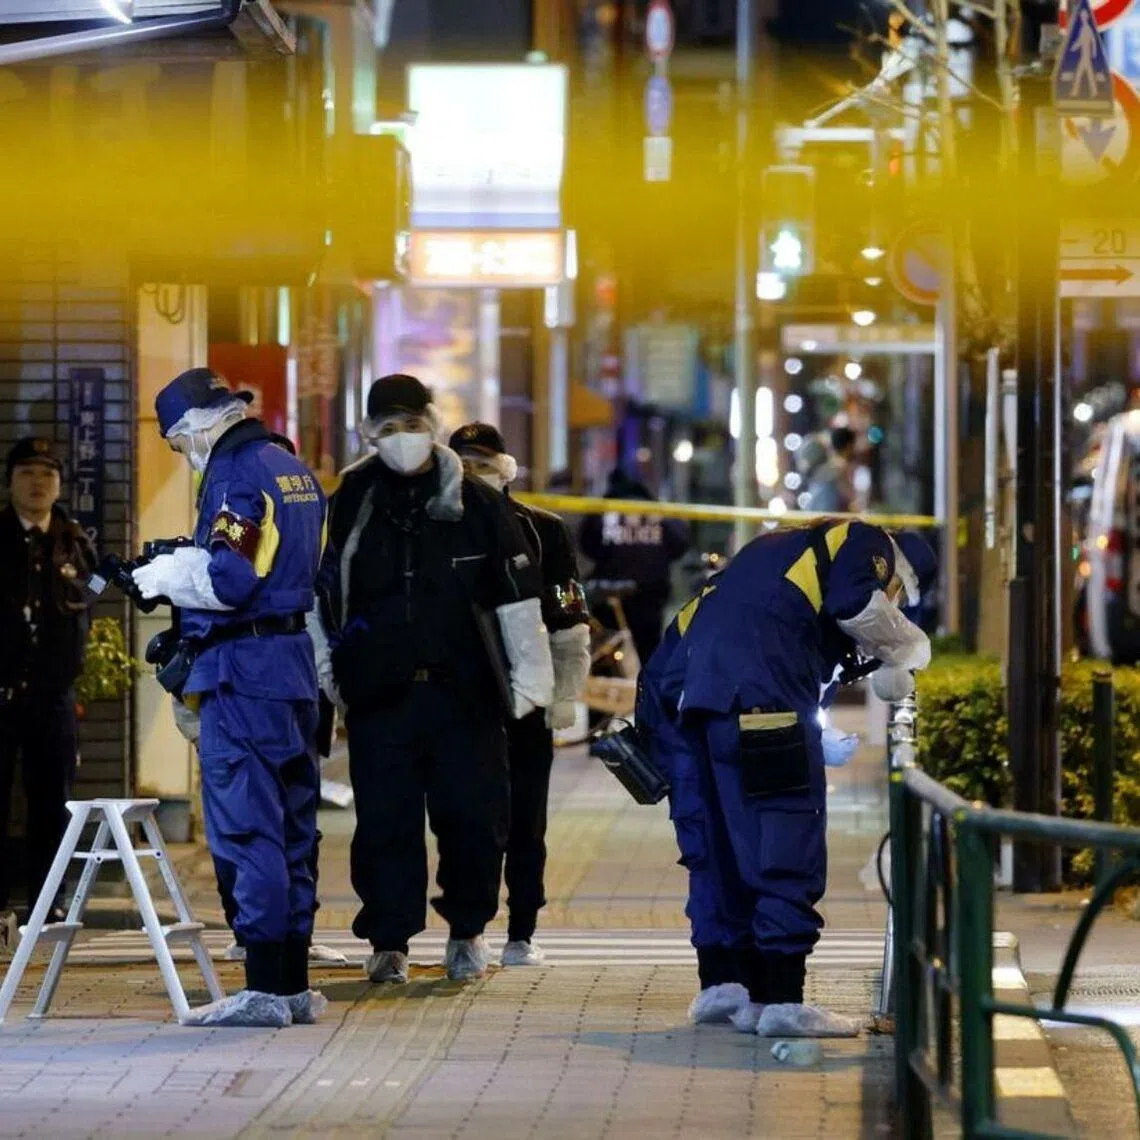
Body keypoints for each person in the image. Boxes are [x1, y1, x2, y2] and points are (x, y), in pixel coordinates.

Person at [639, 520, 936, 1037]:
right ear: (898, 573)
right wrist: (909, 648)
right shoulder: (863, 540)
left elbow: (744, 635)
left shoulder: (771, 556)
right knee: (783, 840)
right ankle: (780, 1001)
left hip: (689, 707)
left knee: (716, 850)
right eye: (898, 596)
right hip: (760, 706)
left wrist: (814, 731)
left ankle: (724, 986)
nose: (894, 604)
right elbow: (858, 608)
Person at [311, 374, 554, 985]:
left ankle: (467, 930)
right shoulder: (353, 496)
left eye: (411, 426)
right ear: (369, 435)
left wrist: (532, 684)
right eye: (387, 430)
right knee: (385, 824)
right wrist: (331, 671)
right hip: (380, 694)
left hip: (465, 692)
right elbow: (323, 592)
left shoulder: (477, 501)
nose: (402, 440)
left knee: (473, 819)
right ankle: (389, 938)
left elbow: (516, 597)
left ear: (432, 423)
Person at [131, 368, 326, 1028]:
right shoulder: (290, 466)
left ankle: (265, 988)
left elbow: (232, 578)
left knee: (250, 829)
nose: (183, 453)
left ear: (201, 425)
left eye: (179, 440)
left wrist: (169, 577)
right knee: (294, 830)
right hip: (293, 667)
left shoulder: (238, 474)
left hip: (245, 672)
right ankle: (292, 984)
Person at [449, 423, 592, 966]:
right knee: (469, 817)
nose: (471, 473)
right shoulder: (440, 526)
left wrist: (565, 692)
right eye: (461, 462)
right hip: (461, 698)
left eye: (482, 462)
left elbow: (569, 614)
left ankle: (521, 931)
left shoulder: (542, 530)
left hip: (526, 696)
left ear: (505, 469)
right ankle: (469, 930)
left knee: (527, 820)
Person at [0, 437, 96, 939]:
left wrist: (84, 597)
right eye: (26, 473)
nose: (37, 483)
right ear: (10, 481)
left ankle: (47, 904)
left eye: (47, 474)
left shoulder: (74, 540)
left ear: (59, 484)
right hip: (0, 691)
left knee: (50, 802)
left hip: (53, 694)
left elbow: (98, 586)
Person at [578, 468, 688, 666]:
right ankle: (645, 693)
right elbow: (680, 544)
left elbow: (588, 546)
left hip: (611, 594)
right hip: (650, 593)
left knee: (609, 652)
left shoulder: (603, 511)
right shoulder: (659, 513)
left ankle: (612, 692)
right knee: (649, 653)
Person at [806, 428, 858, 514]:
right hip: (825, 513)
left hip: (814, 511)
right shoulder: (838, 466)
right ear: (848, 446)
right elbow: (849, 493)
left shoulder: (824, 467)